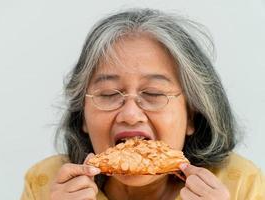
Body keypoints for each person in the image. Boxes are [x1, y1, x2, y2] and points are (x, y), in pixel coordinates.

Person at [20, 8, 264, 200]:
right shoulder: (47, 183)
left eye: (154, 93)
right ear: (81, 115)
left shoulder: (241, 184)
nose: (130, 114)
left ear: (191, 114)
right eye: (107, 94)